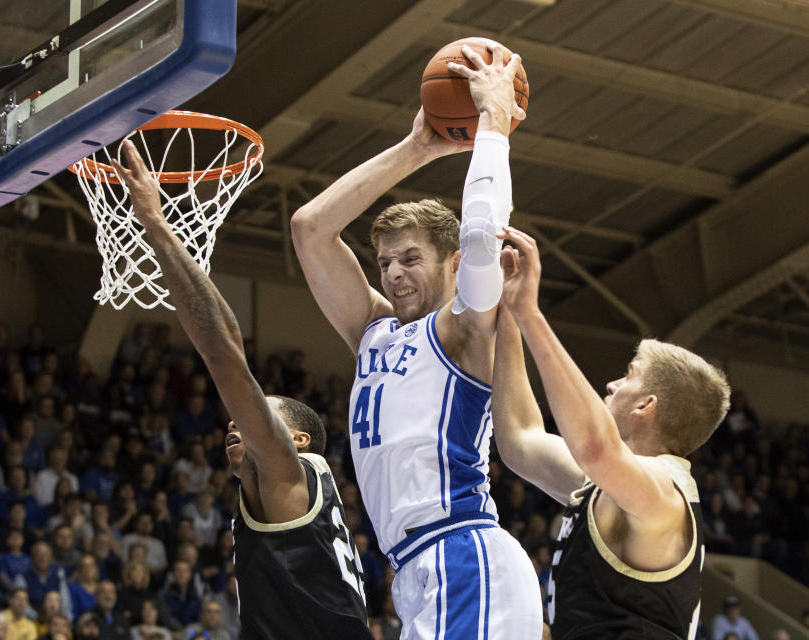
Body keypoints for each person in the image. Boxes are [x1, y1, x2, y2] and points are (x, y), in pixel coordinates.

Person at [289, 41, 541, 638]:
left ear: (451, 265)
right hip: (413, 571)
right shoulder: (372, 331)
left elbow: (482, 236)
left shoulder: (463, 328)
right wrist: (418, 147)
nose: (394, 272)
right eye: (384, 263)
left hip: (464, 552)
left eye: (410, 258)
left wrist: (494, 126)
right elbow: (310, 229)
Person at [112, 139, 370, 639]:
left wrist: (156, 225)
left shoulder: (289, 475)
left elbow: (222, 349)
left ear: (296, 441)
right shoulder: (294, 502)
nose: (236, 420)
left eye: (262, 415)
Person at [491, 225, 731, 639]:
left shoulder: (663, 496)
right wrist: (509, 312)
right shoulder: (607, 487)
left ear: (645, 406)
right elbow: (520, 438)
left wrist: (531, 315)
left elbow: (596, 449)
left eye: (628, 376)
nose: (612, 385)